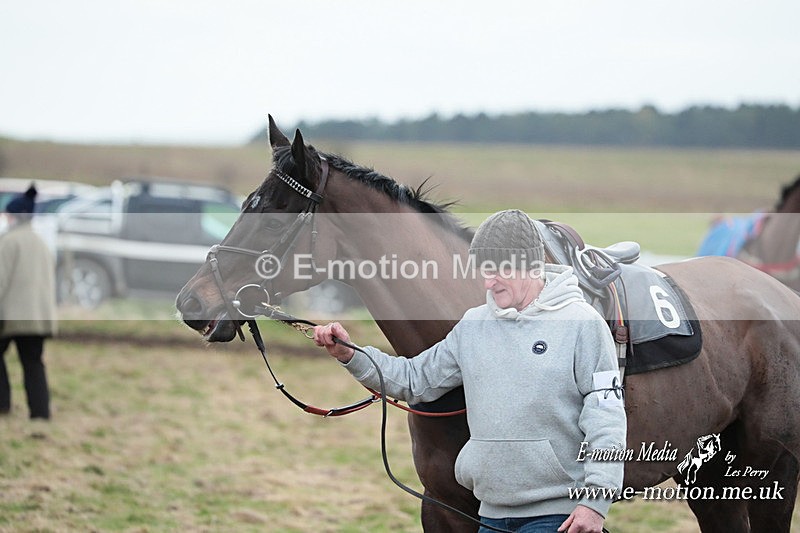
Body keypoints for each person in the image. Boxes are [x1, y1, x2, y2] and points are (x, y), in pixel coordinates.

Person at [313, 209, 626, 533]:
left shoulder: (583, 324)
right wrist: (351, 354)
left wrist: (595, 503)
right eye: (484, 271)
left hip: (558, 518)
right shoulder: (474, 325)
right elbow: (414, 379)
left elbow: (607, 419)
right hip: (489, 516)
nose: (488, 283)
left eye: (499, 270)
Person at [0, 184, 57, 420]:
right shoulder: (41, 243)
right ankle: (40, 413)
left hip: (12, 317)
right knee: (33, 363)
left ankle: (2, 405)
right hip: (39, 317)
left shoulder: (8, 242)